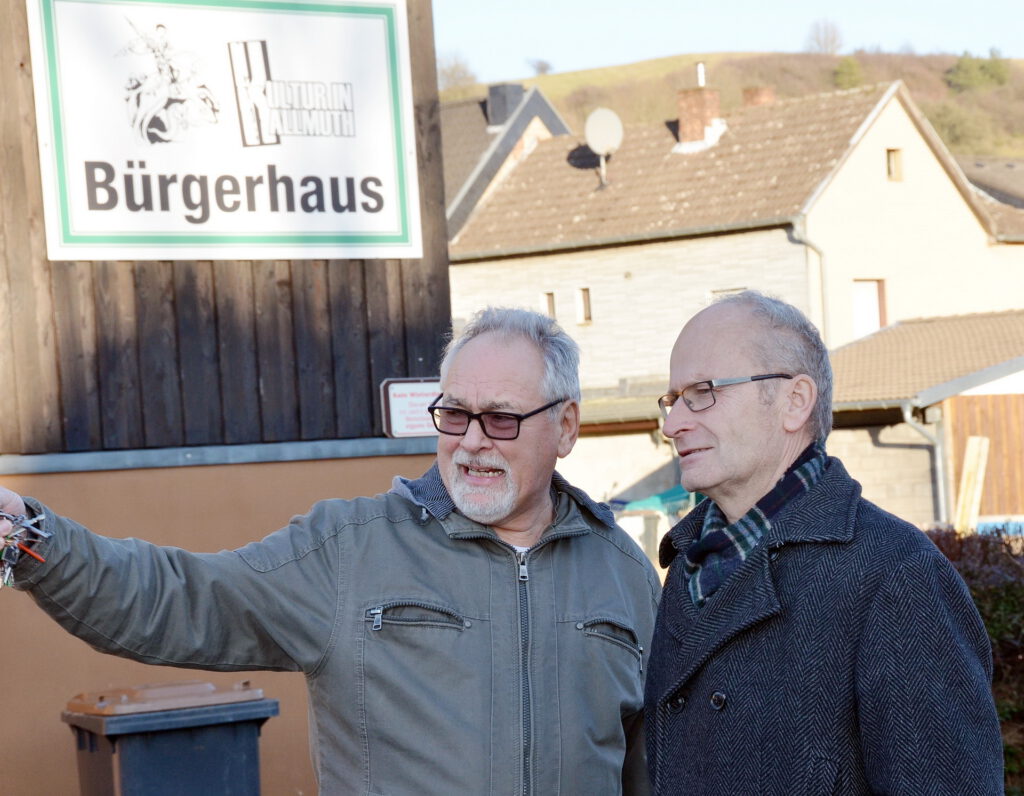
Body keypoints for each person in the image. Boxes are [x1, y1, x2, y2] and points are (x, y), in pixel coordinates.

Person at [1, 307, 660, 795]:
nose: (472, 441)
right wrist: (33, 539)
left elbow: (651, 767)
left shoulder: (623, 574)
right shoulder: (350, 550)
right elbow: (182, 600)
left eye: (502, 418)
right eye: (455, 414)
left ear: (566, 426)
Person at [644, 290, 1003, 794]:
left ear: (795, 401)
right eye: (672, 399)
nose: (672, 424)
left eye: (703, 391)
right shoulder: (690, 566)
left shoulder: (896, 576)